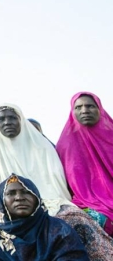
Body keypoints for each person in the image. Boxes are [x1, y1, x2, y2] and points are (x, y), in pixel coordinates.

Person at [0, 103, 113, 260]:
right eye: (1, 119)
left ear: (21, 120)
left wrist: (39, 203)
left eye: (12, 118)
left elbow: (55, 182)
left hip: (51, 200)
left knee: (76, 218)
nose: (7, 122)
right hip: (6, 207)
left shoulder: (41, 146)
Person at [0, 174, 89, 261]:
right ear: (2, 201)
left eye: (27, 192)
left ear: (37, 198)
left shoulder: (59, 230)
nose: (19, 198)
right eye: (11, 193)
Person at [57, 92, 113, 236]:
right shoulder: (65, 145)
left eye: (90, 106)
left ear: (99, 109)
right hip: (84, 202)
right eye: (78, 107)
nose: (84, 110)